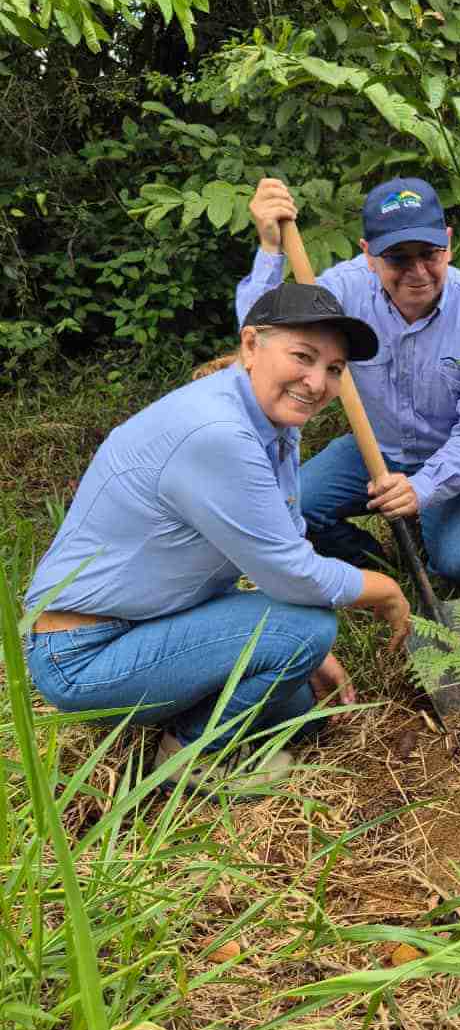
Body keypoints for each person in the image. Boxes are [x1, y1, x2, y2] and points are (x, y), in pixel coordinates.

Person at [24, 283, 411, 794]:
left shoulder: (271, 423)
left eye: (335, 369)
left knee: (301, 715)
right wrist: (384, 589)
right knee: (307, 626)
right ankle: (187, 759)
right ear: (252, 345)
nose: (318, 382)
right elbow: (290, 572)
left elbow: (284, 540)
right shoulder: (217, 433)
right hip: (82, 653)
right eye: (303, 356)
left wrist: (305, 655)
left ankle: (180, 711)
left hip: (148, 623)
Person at [237, 177, 460, 590]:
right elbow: (262, 331)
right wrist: (270, 247)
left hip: (452, 456)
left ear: (449, 244)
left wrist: (421, 488)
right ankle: (379, 569)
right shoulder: (343, 292)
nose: (418, 272)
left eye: (430, 254)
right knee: (292, 510)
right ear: (368, 255)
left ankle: (437, 563)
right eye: (398, 258)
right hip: (373, 449)